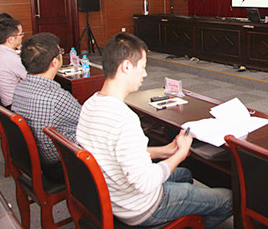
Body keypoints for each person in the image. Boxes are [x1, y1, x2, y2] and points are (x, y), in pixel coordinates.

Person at [77, 33, 232, 228]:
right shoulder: (124, 119)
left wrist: (166, 150)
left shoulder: (90, 104)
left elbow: (117, 153)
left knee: (184, 175)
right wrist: (180, 154)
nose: (145, 74)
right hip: (139, 207)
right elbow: (145, 182)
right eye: (142, 67)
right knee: (228, 199)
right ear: (126, 67)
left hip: (112, 195)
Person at [12, 32, 81, 182]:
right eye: (60, 51)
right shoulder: (57, 98)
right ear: (55, 62)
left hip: (37, 158)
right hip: (60, 164)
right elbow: (87, 123)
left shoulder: (20, 87)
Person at [0, 19, 26, 108]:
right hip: (15, 103)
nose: (22, 37)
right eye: (21, 34)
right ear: (10, 39)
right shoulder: (11, 58)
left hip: (6, 99)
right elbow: (33, 79)